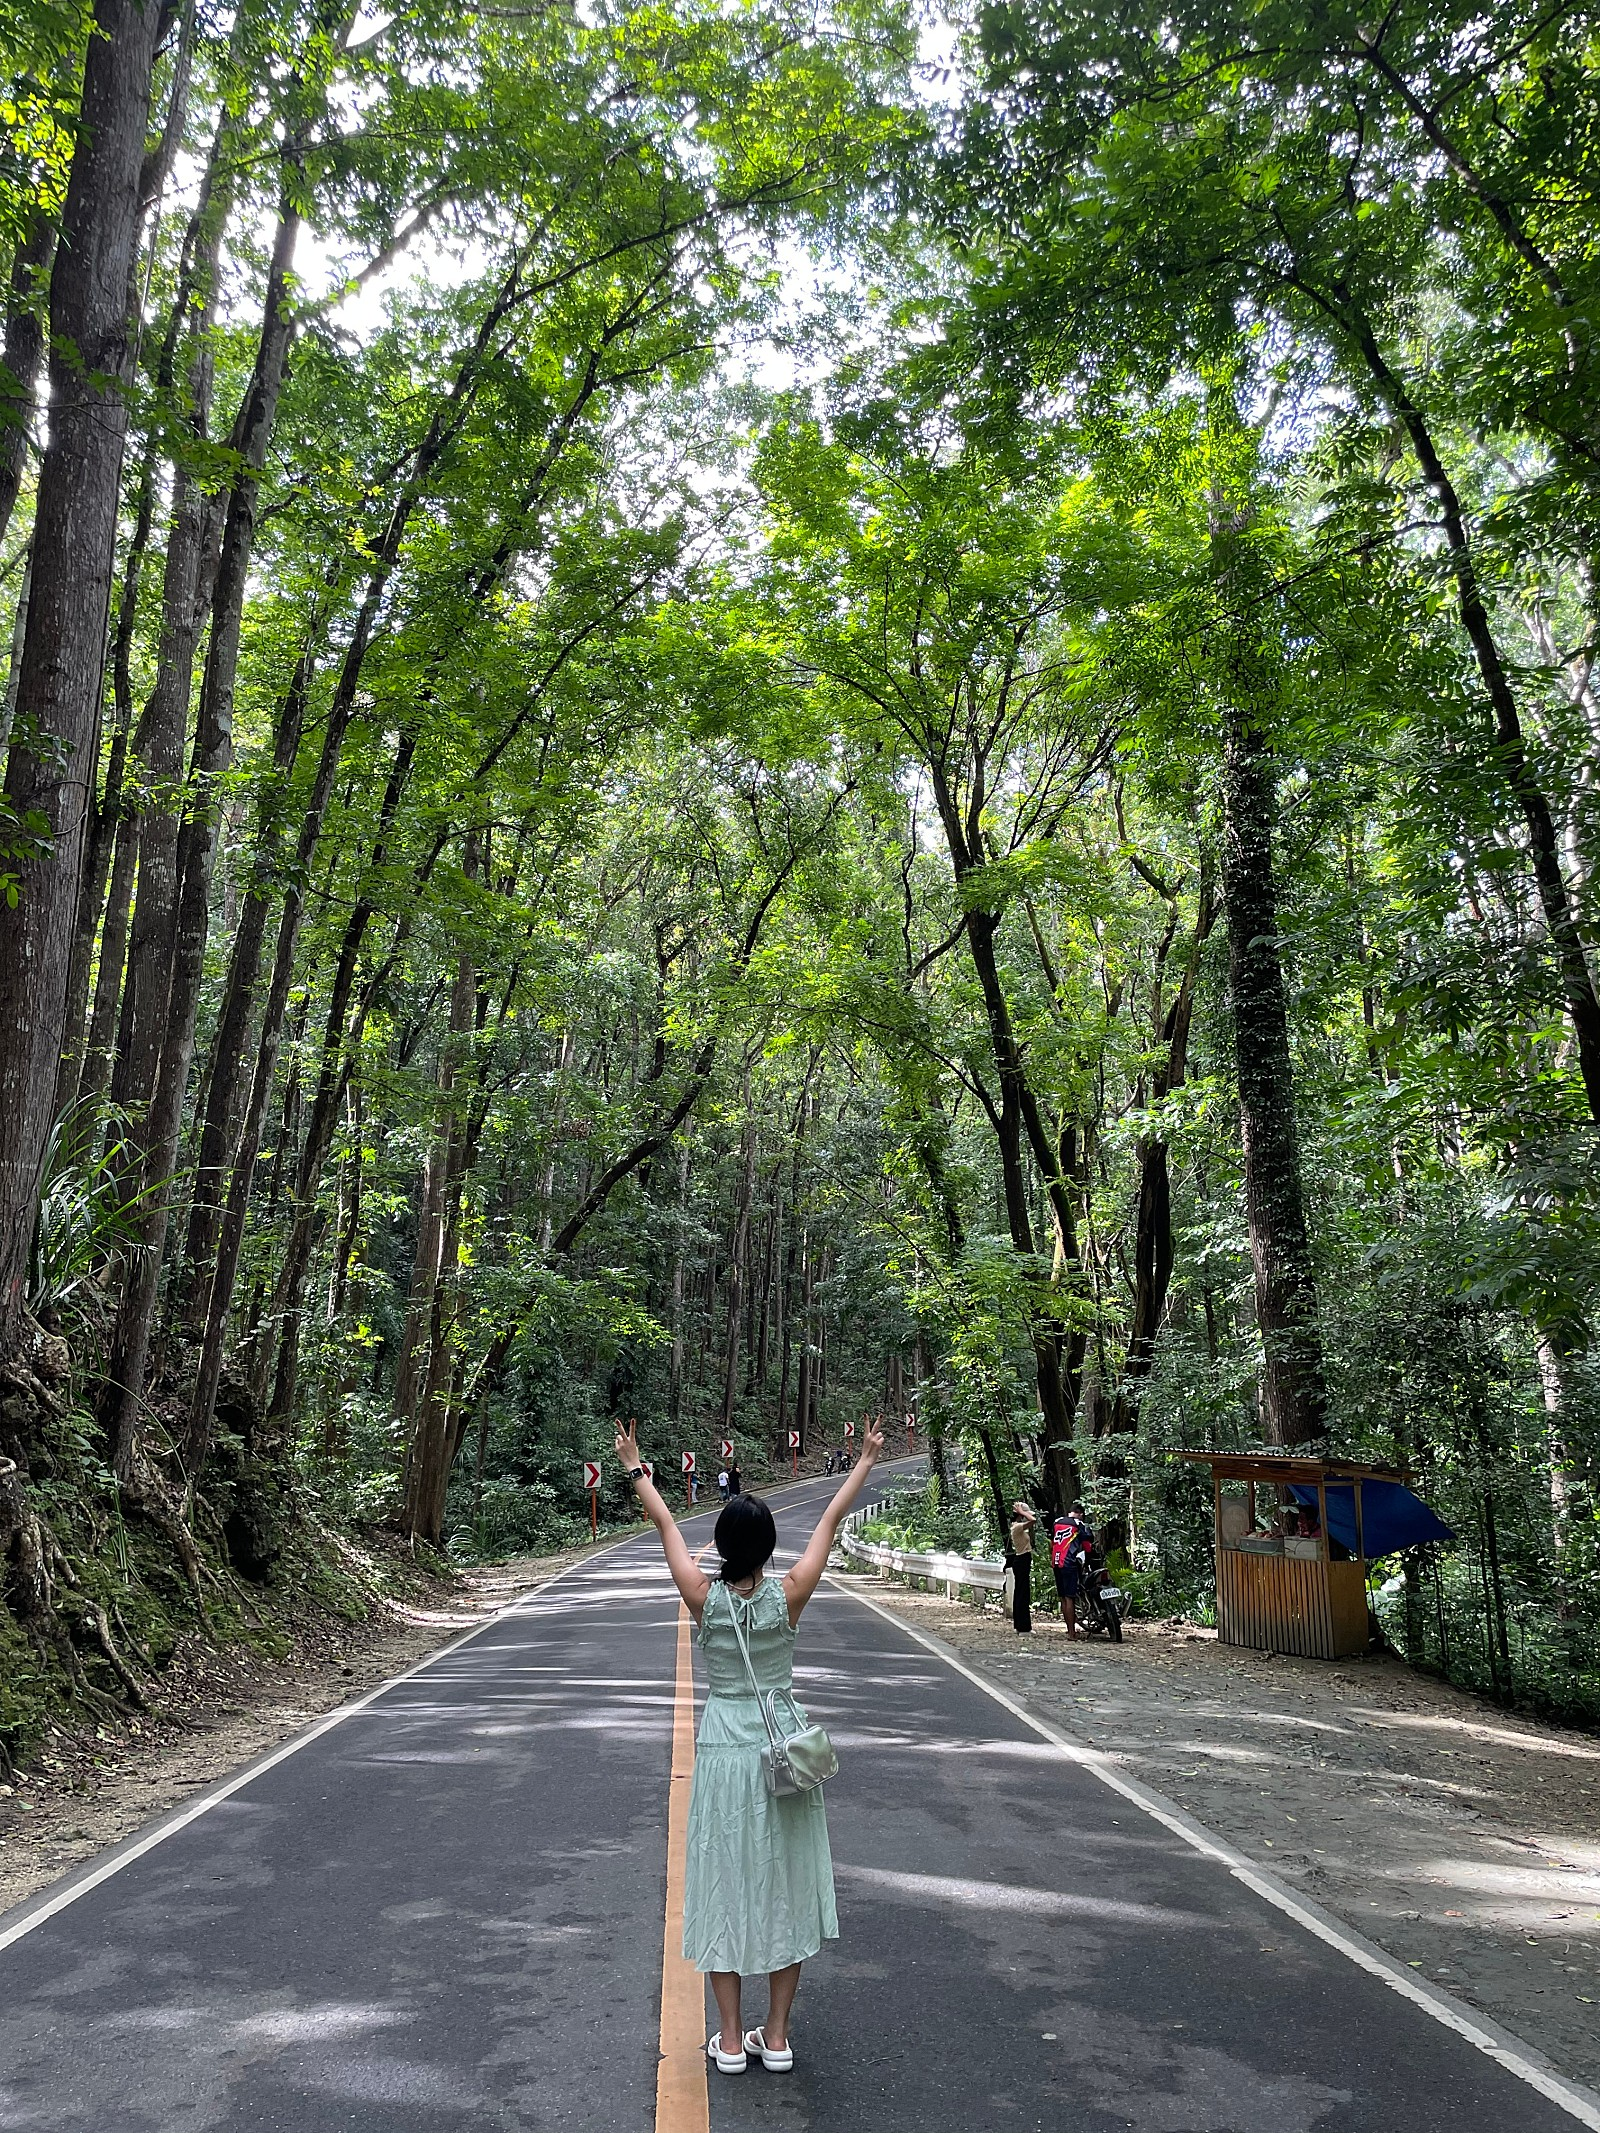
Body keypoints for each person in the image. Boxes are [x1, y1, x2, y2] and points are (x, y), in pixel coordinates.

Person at [615, 1412, 887, 2075]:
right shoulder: (789, 1594)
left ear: (722, 1543)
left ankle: (731, 2039)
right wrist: (868, 1459)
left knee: (724, 1881)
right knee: (784, 1882)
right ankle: (778, 2032)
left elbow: (666, 1528)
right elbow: (826, 1522)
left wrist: (634, 1466)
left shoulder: (703, 1597)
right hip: (782, 1748)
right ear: (767, 1547)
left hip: (723, 1747)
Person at [1050, 1503, 1094, 1638]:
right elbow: (1087, 1545)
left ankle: (1069, 1629)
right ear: (1080, 1514)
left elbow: (1052, 1542)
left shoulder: (1057, 1522)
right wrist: (1090, 1557)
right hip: (1069, 1562)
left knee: (1063, 1597)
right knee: (1070, 1597)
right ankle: (1072, 1633)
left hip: (1056, 1562)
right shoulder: (1079, 1524)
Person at [1005, 1501, 1036, 1634]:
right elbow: (1033, 1520)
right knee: (1022, 1593)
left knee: (1021, 1592)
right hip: (1022, 1559)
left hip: (1023, 1560)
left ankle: (1021, 1624)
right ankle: (1023, 1626)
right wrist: (1022, 1512)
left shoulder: (1018, 1526)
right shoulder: (1017, 1527)